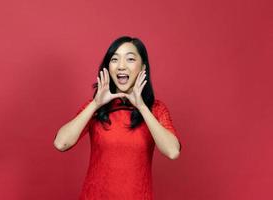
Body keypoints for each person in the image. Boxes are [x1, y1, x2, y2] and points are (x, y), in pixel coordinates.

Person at [53, 36, 182, 200]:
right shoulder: (96, 108)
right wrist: (95, 104)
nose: (121, 66)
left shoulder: (155, 109)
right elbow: (60, 143)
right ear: (108, 67)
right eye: (114, 59)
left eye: (130, 59)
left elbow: (172, 151)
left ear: (143, 67)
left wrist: (141, 106)